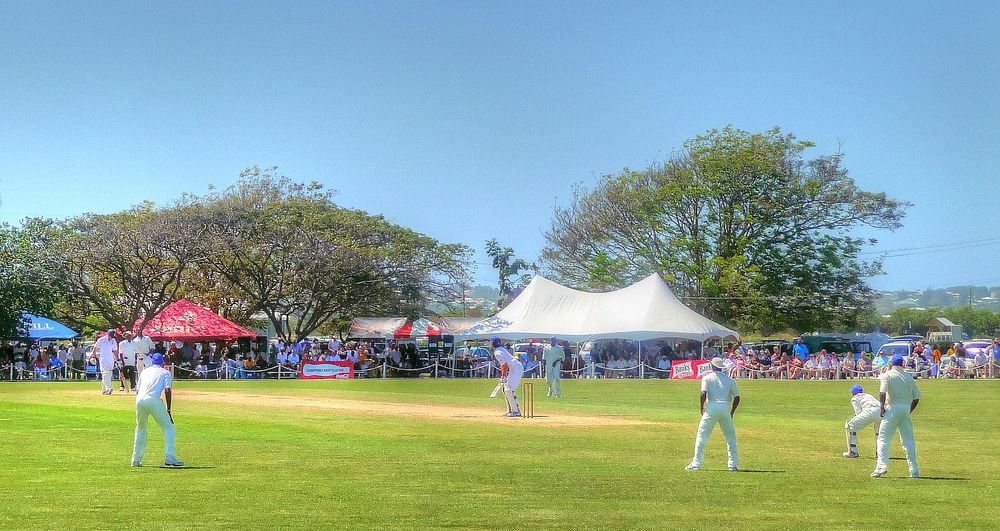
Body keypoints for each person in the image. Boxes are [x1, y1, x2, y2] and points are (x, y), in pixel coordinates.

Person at [686, 357, 740, 472]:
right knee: (730, 436)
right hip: (725, 407)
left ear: (712, 366)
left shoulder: (707, 378)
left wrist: (701, 407)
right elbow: (737, 397)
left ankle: (696, 463)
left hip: (712, 407)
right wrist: (731, 411)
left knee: (702, 435)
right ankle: (732, 464)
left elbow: (703, 393)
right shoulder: (729, 380)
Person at [872, 355, 921, 478]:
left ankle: (881, 467)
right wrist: (908, 410)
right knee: (908, 440)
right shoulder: (909, 377)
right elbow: (916, 398)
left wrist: (882, 407)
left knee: (883, 439)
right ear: (902, 364)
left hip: (892, 408)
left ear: (891, 364)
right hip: (905, 408)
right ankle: (914, 470)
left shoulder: (887, 375)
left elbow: (882, 392)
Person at [131, 354, 183, 467]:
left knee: (140, 428)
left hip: (139, 399)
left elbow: (138, 389)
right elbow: (167, 390)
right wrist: (168, 410)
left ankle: (135, 460)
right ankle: (170, 457)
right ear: (163, 362)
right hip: (153, 399)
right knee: (169, 428)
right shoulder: (165, 372)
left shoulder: (145, 371)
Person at [843, 384, 881, 458]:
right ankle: (880, 453)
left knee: (850, 425)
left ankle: (853, 452)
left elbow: (858, 412)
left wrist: (852, 419)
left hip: (870, 411)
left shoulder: (855, 398)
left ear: (853, 393)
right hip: (881, 411)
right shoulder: (868, 395)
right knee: (878, 432)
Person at [492, 337, 523, 417]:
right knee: (505, 389)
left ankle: (516, 411)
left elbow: (504, 365)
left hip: (516, 368)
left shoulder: (497, 352)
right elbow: (504, 365)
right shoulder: (501, 349)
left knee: (509, 389)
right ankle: (510, 410)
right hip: (514, 368)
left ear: (493, 344)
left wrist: (503, 376)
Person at [93, 330, 119, 395]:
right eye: (111, 336)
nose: (112, 337)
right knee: (105, 373)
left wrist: (117, 358)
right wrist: (93, 356)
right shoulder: (101, 340)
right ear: (108, 334)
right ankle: (109, 388)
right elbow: (95, 348)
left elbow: (115, 350)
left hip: (111, 359)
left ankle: (104, 390)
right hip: (103, 359)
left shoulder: (113, 340)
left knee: (109, 374)